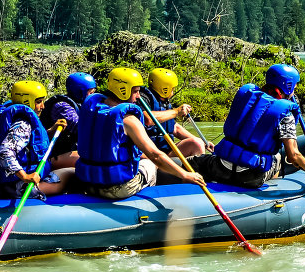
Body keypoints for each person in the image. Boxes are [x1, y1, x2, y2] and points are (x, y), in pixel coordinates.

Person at [189, 63, 305, 189]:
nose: (295, 90)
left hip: (220, 167)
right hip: (250, 177)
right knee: (278, 158)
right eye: (295, 86)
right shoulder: (286, 115)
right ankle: (269, 195)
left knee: (194, 161)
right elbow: (293, 156)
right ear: (288, 85)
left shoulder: (247, 98)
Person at [75, 67, 204, 200]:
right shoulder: (129, 120)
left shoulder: (92, 109)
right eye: (136, 91)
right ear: (123, 91)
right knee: (150, 164)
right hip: (118, 189)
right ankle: (151, 201)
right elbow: (155, 156)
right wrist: (185, 175)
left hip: (88, 183)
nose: (138, 96)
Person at [0, 80, 74, 201]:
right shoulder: (23, 124)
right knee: (71, 173)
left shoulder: (15, 119)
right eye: (38, 102)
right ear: (27, 101)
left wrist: (52, 130)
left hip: (3, 183)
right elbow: (5, 151)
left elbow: (28, 142)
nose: (42, 106)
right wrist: (25, 176)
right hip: (17, 187)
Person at [138, 67, 212, 158]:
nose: (173, 92)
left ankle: (197, 171)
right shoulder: (142, 98)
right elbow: (147, 119)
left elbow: (175, 128)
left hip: (166, 152)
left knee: (197, 143)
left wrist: (203, 142)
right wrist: (176, 111)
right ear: (165, 89)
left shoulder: (165, 102)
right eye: (172, 89)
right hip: (148, 154)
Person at [42, 71, 95, 170]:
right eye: (90, 92)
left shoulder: (80, 104)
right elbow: (79, 128)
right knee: (92, 159)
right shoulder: (62, 106)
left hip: (69, 150)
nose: (93, 95)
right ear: (80, 92)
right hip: (55, 154)